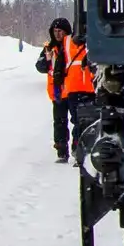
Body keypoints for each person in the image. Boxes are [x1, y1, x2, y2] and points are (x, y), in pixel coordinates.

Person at [36, 17, 96, 163]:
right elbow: (40, 67)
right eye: (55, 31)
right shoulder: (49, 48)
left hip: (72, 89)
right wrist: (47, 59)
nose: (57, 35)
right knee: (59, 122)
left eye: (60, 31)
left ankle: (77, 149)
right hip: (57, 91)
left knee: (77, 120)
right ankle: (62, 150)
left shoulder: (71, 45)